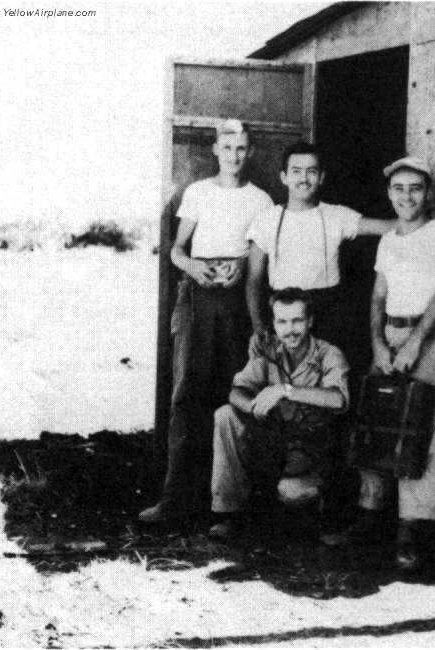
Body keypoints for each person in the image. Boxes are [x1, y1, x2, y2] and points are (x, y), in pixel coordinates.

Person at [321, 157, 435, 571]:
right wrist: (379, 345)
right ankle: (369, 517)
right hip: (391, 336)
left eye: (415, 188)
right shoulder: (389, 240)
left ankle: (411, 532)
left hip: (432, 338)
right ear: (389, 193)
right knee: (376, 420)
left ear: (427, 192)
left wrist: (415, 345)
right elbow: (378, 297)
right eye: (399, 188)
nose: (407, 196)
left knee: (427, 428)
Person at [139, 119, 274, 524]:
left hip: (237, 302)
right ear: (216, 150)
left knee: (233, 394)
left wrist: (236, 265)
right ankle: (176, 499)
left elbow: (256, 261)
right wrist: (195, 267)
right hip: (198, 298)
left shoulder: (261, 200)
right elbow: (176, 251)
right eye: (227, 147)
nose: (234, 156)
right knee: (186, 395)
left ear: (249, 153)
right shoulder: (197, 193)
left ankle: (229, 505)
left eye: (241, 149)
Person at [208, 287, 351, 538]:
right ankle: (232, 513)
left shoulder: (329, 353)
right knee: (225, 415)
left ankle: (318, 514)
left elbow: (338, 399)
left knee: (292, 493)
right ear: (273, 323)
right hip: (274, 442)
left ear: (310, 322)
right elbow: (236, 391)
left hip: (313, 447)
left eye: (297, 320)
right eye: (282, 322)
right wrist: (252, 406)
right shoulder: (270, 349)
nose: (290, 329)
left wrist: (285, 390)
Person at [245, 142, 393, 353]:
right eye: (296, 171)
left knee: (328, 376)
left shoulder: (337, 215)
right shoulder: (266, 220)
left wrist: (427, 221)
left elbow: (386, 227)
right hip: (283, 315)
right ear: (284, 177)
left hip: (328, 315)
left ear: (321, 177)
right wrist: (258, 326)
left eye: (311, 172)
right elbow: (253, 281)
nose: (304, 179)